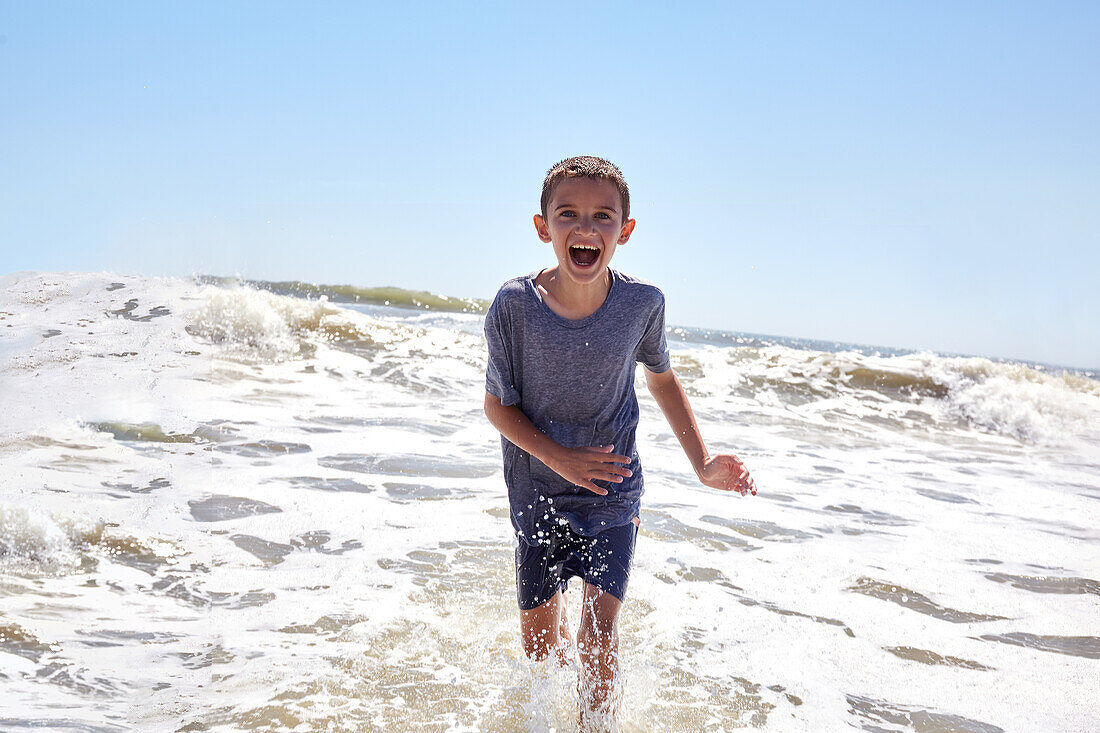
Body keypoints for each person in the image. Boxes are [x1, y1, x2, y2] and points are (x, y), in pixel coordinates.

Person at [483, 156, 756, 729]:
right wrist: (560, 459)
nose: (585, 229)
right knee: (540, 643)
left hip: (612, 486)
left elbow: (661, 378)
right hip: (536, 485)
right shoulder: (515, 307)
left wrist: (703, 463)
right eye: (569, 215)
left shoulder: (642, 305)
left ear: (624, 231)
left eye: (602, 216)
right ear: (543, 227)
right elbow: (497, 407)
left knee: (599, 634)